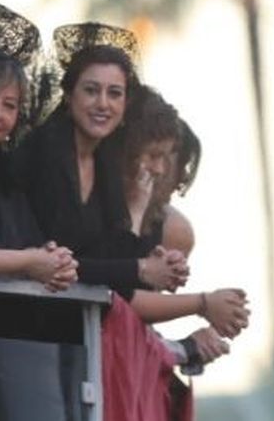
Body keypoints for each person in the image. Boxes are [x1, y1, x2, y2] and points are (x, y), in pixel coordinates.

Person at [17, 22, 186, 298]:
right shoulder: (44, 151)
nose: (103, 104)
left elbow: (112, 266)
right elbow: (58, 263)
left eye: (114, 93)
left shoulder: (105, 160)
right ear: (69, 96)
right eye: (91, 91)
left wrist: (158, 263)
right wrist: (140, 268)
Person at [0, 0, 78, 289]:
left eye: (9, 105)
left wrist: (57, 262)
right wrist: (31, 262)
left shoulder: (4, 176)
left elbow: (32, 245)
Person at [118, 87, 250, 355]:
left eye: (167, 161)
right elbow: (119, 298)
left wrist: (184, 348)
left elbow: (134, 320)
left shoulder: (170, 228)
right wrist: (202, 305)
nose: (161, 172)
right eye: (155, 157)